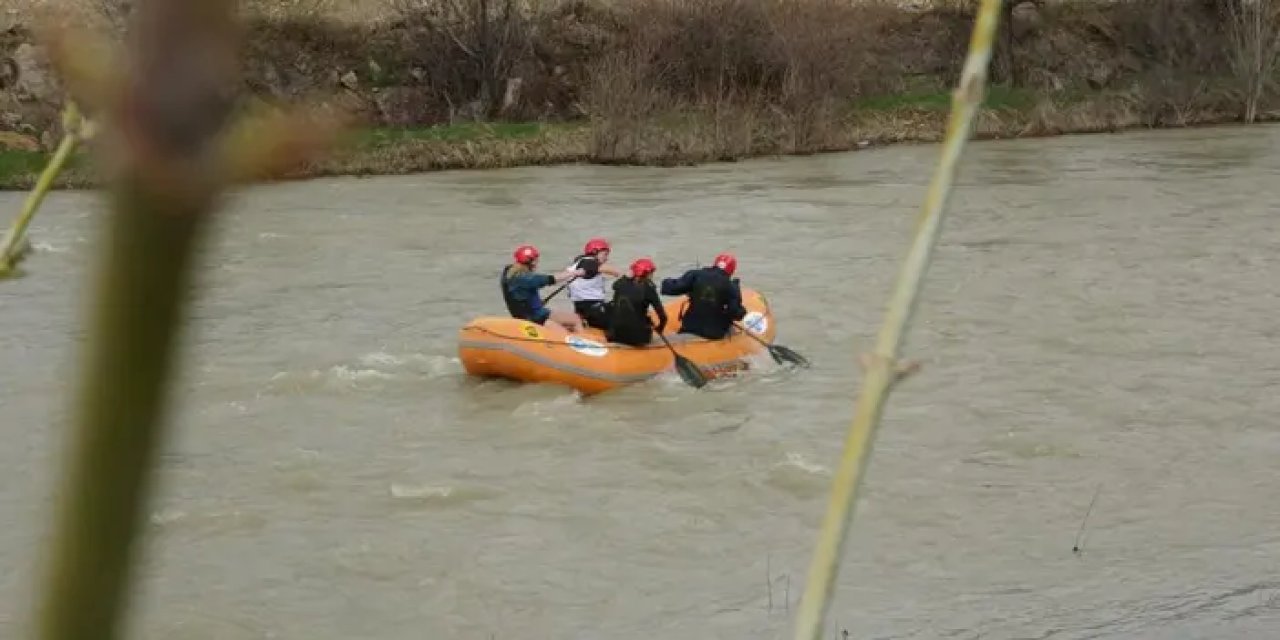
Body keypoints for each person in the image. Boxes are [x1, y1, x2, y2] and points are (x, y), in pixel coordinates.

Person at [659, 252, 746, 340]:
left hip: (689, 327)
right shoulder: (732, 286)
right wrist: (742, 311)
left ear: (715, 264)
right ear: (732, 270)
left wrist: (669, 281)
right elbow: (734, 312)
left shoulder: (695, 274)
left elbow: (669, 289)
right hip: (714, 333)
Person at [500, 244, 585, 332]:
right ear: (531, 262)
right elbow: (552, 279)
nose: (537, 262)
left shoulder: (508, 272)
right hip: (535, 318)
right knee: (566, 330)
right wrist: (576, 273)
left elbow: (520, 295)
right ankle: (582, 343)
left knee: (575, 318)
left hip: (538, 313)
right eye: (536, 260)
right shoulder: (526, 279)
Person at [605, 257, 668, 347]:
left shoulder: (620, 284)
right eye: (651, 273)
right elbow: (663, 317)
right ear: (647, 274)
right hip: (638, 338)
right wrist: (660, 329)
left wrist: (625, 276)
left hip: (614, 335)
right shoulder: (649, 288)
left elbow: (615, 285)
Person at [565, 237, 623, 330]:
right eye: (605, 254)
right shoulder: (589, 262)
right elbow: (612, 271)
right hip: (593, 311)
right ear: (595, 252)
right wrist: (625, 277)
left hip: (580, 308)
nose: (606, 258)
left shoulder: (577, 263)